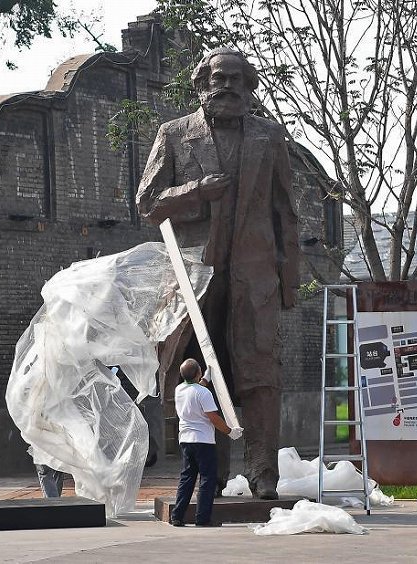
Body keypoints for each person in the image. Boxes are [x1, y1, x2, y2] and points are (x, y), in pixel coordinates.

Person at [136, 47, 301, 500]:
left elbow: (286, 211)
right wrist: (195, 192)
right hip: (195, 276)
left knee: (260, 369)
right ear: (201, 85)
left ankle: (265, 472)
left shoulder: (270, 138)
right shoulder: (174, 135)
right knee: (202, 370)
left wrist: (288, 281)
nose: (226, 86)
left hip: (255, 274)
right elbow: (147, 202)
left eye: (236, 79)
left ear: (249, 87)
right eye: (217, 78)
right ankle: (213, 475)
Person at [171, 358, 243, 527]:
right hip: (203, 441)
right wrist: (229, 431)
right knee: (207, 480)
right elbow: (213, 418)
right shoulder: (204, 393)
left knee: (187, 478)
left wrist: (205, 379)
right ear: (198, 373)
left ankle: (177, 516)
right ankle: (202, 518)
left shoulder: (179, 389)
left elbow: (194, 389)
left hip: (186, 440)